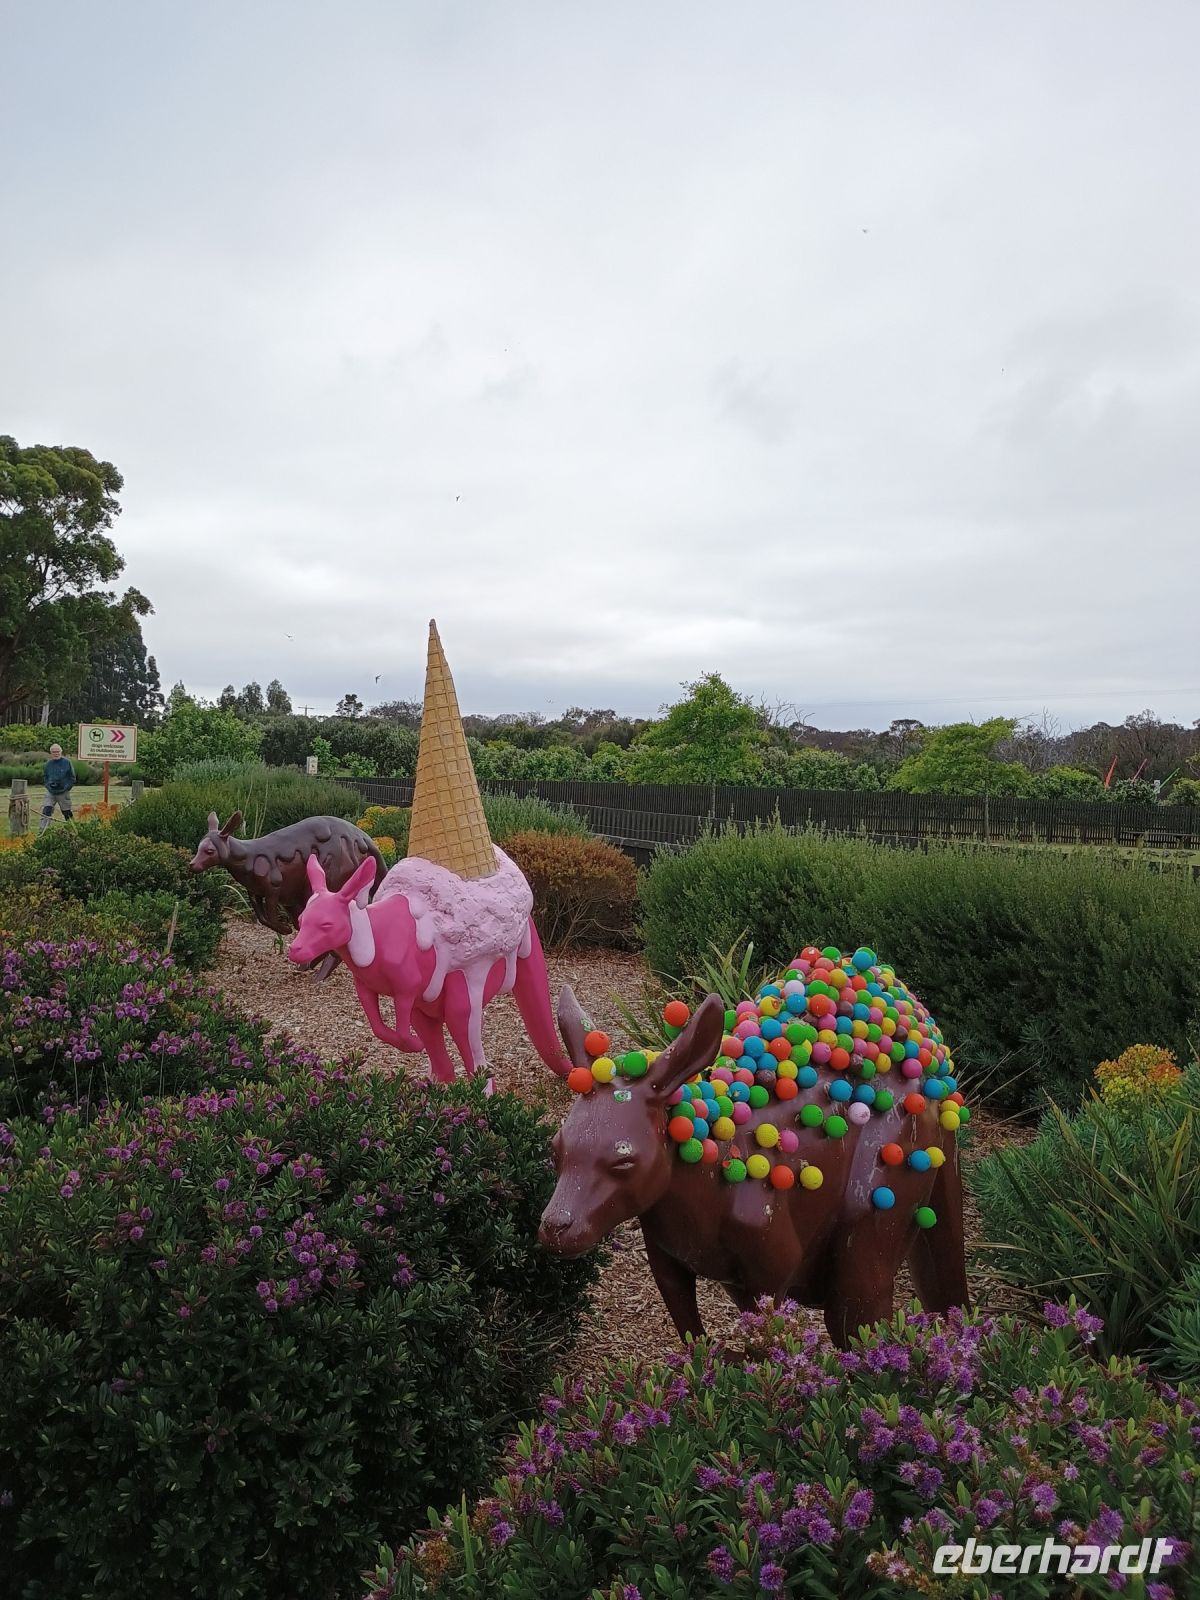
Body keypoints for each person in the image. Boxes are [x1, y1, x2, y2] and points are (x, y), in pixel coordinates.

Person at [41, 743, 76, 830]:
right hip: (51, 791)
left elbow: (72, 777)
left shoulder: (67, 762)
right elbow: (45, 776)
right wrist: (48, 785)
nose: (56, 753)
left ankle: (73, 829)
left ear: (61, 752)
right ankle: (43, 831)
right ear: (51, 753)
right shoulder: (48, 764)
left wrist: (67, 787)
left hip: (63, 792)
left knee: (66, 812)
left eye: (57, 752)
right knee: (46, 810)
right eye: (53, 752)